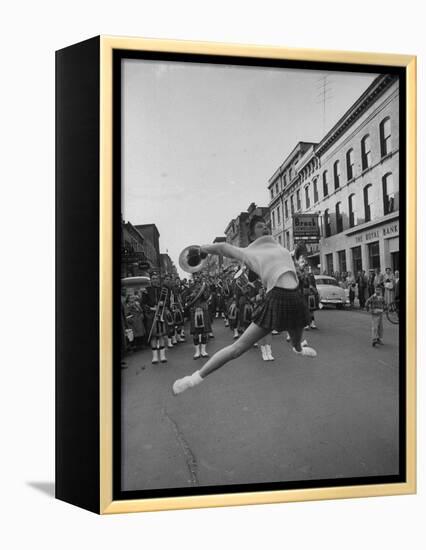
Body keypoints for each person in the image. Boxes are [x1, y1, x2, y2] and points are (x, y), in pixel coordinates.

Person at [172, 216, 316, 395]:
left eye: (266, 226)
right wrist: (201, 249)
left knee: (296, 338)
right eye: (260, 227)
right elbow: (224, 248)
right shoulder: (249, 251)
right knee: (237, 349)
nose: (265, 229)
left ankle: (298, 349)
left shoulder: (280, 247)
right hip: (276, 297)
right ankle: (193, 379)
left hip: (295, 297)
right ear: (252, 234)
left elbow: (294, 263)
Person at [186, 275, 211, 359]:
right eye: (196, 277)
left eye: (199, 276)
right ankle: (197, 351)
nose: (197, 278)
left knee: (204, 331)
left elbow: (206, 297)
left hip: (203, 309)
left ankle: (203, 351)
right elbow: (186, 300)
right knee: (195, 333)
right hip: (194, 310)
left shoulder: (205, 286)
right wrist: (192, 295)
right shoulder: (190, 287)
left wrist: (202, 290)